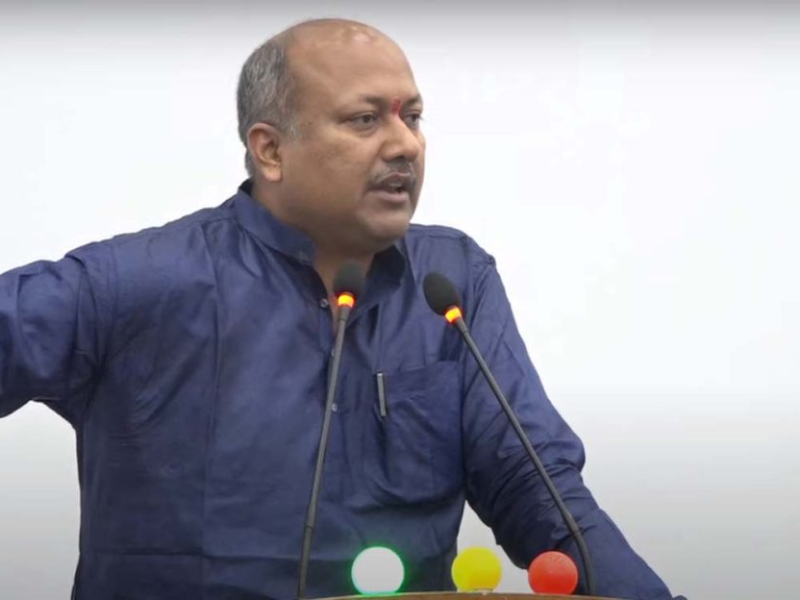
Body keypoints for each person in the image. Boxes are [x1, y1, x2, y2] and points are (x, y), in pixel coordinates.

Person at [0, 19, 677, 599]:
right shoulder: (141, 284)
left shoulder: (451, 283)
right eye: (364, 119)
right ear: (270, 150)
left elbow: (533, 485)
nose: (405, 144)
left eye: (412, 117)